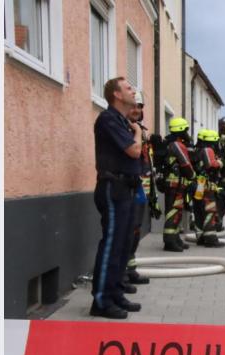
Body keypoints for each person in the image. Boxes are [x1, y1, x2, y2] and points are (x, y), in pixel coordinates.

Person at [90, 77, 143, 319]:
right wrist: (138, 133)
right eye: (128, 88)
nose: (133, 91)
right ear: (117, 95)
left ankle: (116, 293)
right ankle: (101, 301)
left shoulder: (123, 121)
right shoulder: (108, 119)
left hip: (127, 188)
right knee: (112, 245)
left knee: (122, 246)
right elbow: (133, 151)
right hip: (114, 188)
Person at [123, 91, 158, 290]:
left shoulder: (141, 130)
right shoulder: (126, 129)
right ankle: (122, 274)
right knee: (128, 232)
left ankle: (130, 269)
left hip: (141, 191)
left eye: (140, 106)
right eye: (133, 105)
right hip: (128, 190)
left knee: (135, 232)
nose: (136, 110)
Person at [162, 117, 196, 251]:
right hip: (174, 185)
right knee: (173, 212)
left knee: (176, 212)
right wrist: (193, 177)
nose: (187, 133)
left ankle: (175, 239)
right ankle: (169, 242)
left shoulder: (170, 143)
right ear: (181, 130)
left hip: (173, 184)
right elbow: (185, 164)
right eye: (186, 130)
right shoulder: (177, 145)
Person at [192, 129, 225, 247]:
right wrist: (220, 163)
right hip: (205, 185)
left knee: (199, 210)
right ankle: (211, 239)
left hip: (199, 184)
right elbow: (211, 164)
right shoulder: (208, 149)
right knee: (209, 209)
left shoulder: (197, 150)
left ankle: (200, 237)